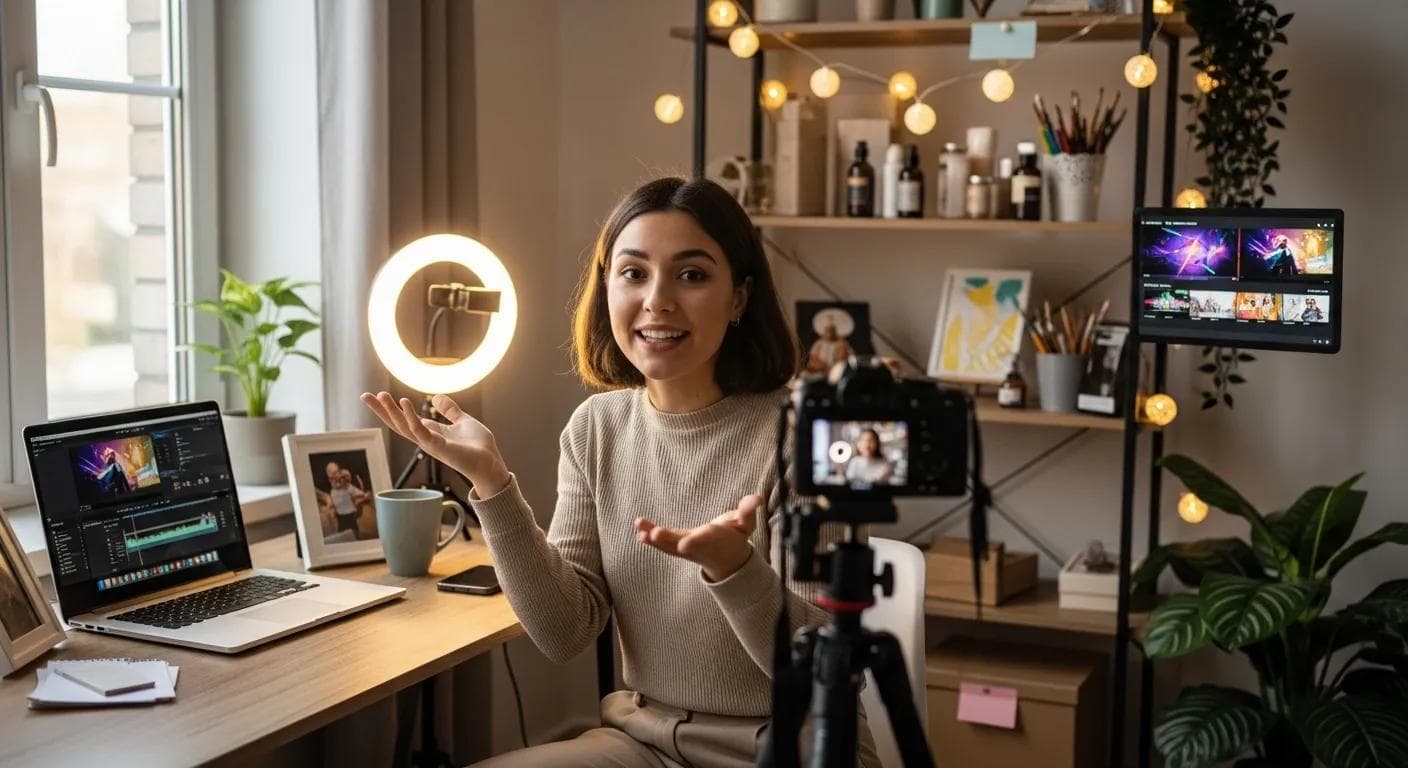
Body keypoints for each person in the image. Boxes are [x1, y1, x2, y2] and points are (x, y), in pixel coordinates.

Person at [363, 177, 880, 768]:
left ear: (739, 298)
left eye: (692, 275)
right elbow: (563, 633)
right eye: (634, 273)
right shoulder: (595, 429)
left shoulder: (813, 433)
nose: (657, 300)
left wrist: (734, 568)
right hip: (643, 743)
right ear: (606, 289)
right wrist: (491, 482)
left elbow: (825, 670)